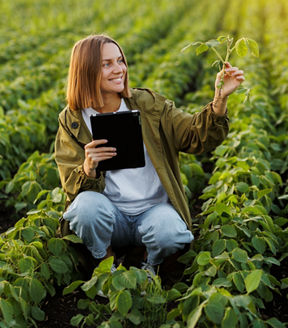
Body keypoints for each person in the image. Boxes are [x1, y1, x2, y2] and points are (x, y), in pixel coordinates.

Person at [54, 34, 245, 276]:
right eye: (107, 64)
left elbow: (194, 136)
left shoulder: (146, 104)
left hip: (152, 211)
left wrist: (220, 99)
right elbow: (70, 184)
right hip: (110, 215)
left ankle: (147, 261)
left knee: (171, 234)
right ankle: (105, 262)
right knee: (86, 209)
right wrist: (87, 168)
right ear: (85, 70)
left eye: (120, 61)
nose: (119, 69)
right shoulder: (73, 119)